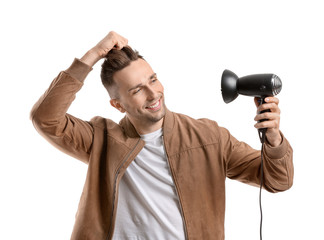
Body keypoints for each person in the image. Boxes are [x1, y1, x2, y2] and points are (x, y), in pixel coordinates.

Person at [30, 31, 293, 240]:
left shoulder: (208, 136)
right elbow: (45, 118)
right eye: (137, 90)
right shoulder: (101, 139)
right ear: (118, 104)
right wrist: (92, 55)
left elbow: (278, 181)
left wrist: (274, 141)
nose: (153, 93)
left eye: (153, 80)